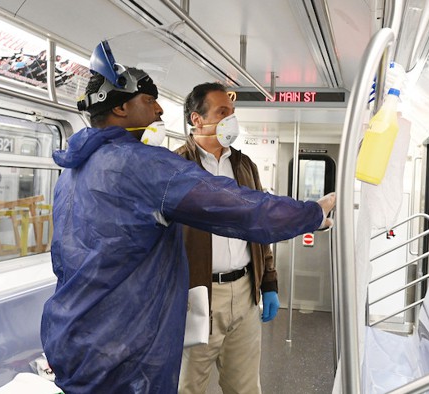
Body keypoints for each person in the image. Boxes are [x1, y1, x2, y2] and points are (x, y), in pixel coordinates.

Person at [40, 41, 336, 394]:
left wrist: (266, 279)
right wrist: (312, 213)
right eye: (149, 101)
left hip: (76, 330)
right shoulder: (145, 165)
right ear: (120, 108)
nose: (160, 110)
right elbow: (241, 208)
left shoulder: (73, 170)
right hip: (126, 337)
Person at [175, 83, 277, 393]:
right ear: (198, 119)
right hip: (197, 295)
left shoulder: (244, 166)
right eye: (222, 113)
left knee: (245, 386)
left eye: (232, 113)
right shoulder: (176, 167)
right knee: (188, 385)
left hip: (245, 292)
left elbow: (260, 227)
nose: (231, 120)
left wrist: (268, 281)